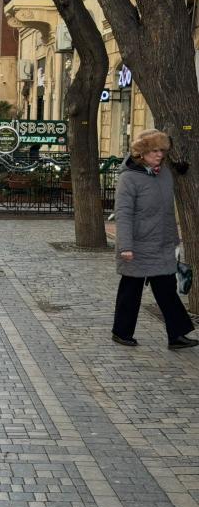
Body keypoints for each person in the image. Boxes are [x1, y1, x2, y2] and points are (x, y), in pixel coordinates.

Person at [112, 129, 197, 350]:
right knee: (131, 290)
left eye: (162, 150)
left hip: (161, 243)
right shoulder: (128, 178)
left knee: (167, 289)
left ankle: (177, 335)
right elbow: (123, 214)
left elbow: (167, 208)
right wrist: (125, 246)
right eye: (154, 151)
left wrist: (180, 169)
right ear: (141, 153)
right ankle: (121, 332)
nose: (159, 155)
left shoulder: (164, 173)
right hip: (137, 245)